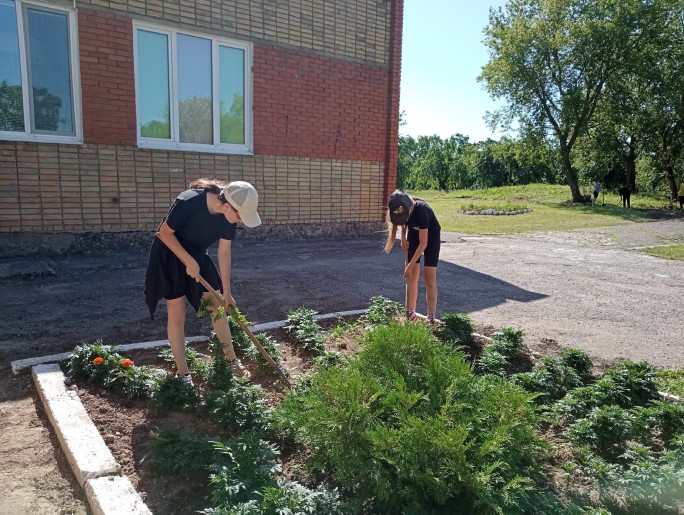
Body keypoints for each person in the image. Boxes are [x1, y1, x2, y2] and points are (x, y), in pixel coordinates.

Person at [144, 179, 262, 385]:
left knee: (218, 306)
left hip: (196, 253)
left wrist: (226, 293)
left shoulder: (228, 218)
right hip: (169, 253)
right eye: (240, 216)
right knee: (177, 312)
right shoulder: (189, 201)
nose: (240, 221)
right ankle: (183, 374)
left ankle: (231, 360)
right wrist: (188, 261)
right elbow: (163, 233)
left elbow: (224, 254)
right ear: (227, 205)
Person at [384, 189, 441, 325]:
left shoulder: (422, 210)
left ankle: (431, 317)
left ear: (409, 207)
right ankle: (411, 313)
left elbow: (423, 244)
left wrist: (409, 266)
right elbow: (404, 221)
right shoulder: (404, 210)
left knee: (429, 277)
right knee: (412, 276)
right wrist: (403, 237)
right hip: (414, 235)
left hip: (430, 237)